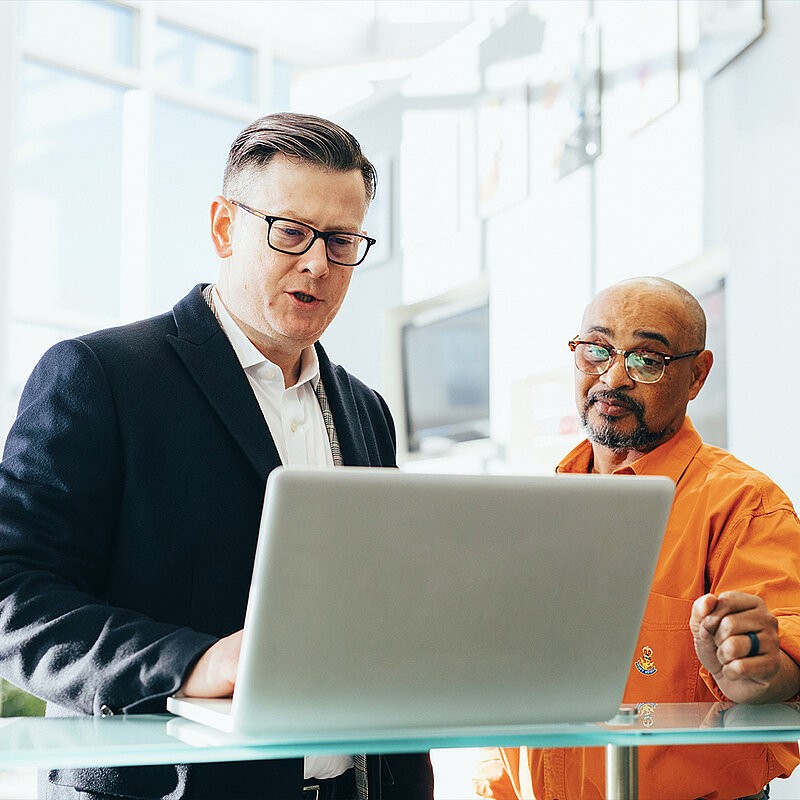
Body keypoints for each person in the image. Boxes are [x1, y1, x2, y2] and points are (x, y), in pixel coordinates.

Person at [0, 112, 433, 800]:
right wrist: (192, 661)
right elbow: (14, 593)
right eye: (290, 231)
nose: (318, 263)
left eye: (342, 240)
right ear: (224, 227)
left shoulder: (366, 409)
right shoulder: (100, 375)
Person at [474, 276, 800, 800]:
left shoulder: (744, 505)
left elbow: (782, 659)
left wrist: (759, 670)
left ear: (697, 375)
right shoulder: (534, 510)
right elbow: (502, 692)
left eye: (647, 359)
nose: (614, 377)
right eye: (596, 351)